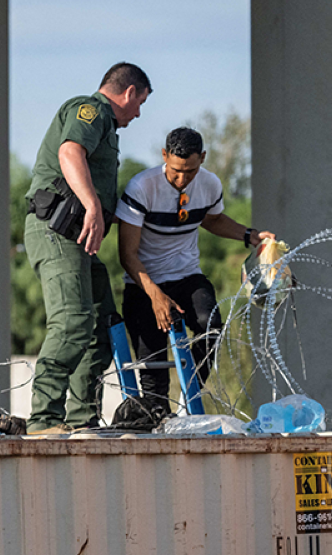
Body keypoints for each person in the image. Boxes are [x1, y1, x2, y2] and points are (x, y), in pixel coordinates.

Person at [23, 63, 151, 434]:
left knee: (103, 328)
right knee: (72, 321)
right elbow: (69, 152)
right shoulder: (90, 110)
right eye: (139, 103)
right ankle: (45, 418)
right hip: (57, 231)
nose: (138, 113)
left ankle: (82, 417)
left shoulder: (108, 127)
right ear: (128, 93)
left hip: (80, 240)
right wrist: (93, 205)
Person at [117, 127, 275, 411]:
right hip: (144, 283)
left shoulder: (210, 184)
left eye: (190, 171)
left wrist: (248, 235)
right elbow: (127, 255)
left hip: (186, 276)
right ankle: (159, 411)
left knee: (210, 325)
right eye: (176, 170)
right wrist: (155, 296)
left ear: (202, 158)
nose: (182, 178)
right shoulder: (142, 187)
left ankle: (188, 400)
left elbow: (211, 220)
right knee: (154, 389)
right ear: (164, 156)